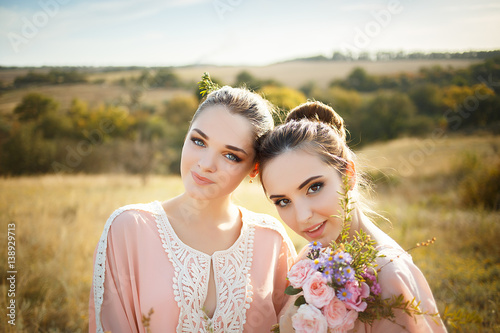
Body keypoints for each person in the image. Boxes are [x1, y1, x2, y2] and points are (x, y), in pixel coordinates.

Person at [89, 86, 296, 333]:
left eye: (231, 156)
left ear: (253, 169)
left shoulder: (271, 240)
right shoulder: (129, 228)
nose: (206, 164)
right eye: (198, 141)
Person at [257, 101, 447, 332]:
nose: (303, 217)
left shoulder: (387, 275)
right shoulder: (310, 258)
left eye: (314, 187)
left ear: (348, 174)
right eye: (283, 201)